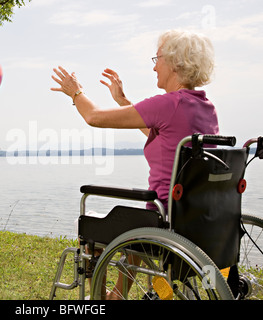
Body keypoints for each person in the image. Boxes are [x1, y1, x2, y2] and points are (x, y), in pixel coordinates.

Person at [51, 29, 219, 299]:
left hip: (163, 223)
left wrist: (75, 92)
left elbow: (94, 117)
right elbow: (168, 141)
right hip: (198, 221)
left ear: (175, 63)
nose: (154, 66)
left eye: (157, 58)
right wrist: (123, 102)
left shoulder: (167, 104)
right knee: (135, 219)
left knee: (90, 221)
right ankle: (118, 294)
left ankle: (102, 299)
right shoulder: (205, 106)